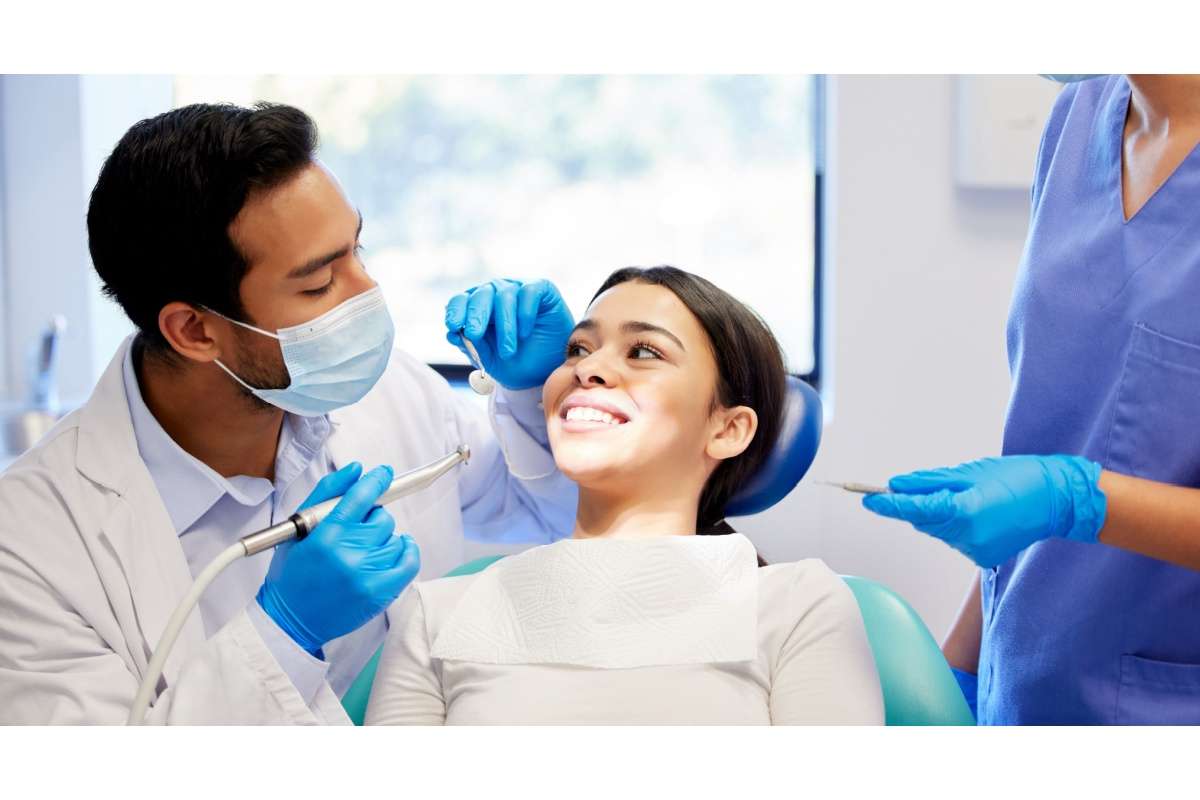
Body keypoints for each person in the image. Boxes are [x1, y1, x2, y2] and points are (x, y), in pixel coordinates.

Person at [0, 103, 579, 724]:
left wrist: (540, 393)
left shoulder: (391, 391)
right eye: (318, 285)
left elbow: (546, 514)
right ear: (195, 330)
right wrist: (283, 637)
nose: (368, 296)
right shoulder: (30, 547)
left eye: (358, 250)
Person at [366, 266, 884, 725]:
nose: (585, 370)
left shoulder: (796, 605)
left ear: (727, 430)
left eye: (643, 351)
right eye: (578, 349)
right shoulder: (435, 613)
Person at [862, 75, 1200, 724]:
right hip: (1023, 687)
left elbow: (1062, 486)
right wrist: (958, 673)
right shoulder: (1078, 120)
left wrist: (1074, 497)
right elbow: (1066, 427)